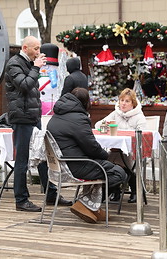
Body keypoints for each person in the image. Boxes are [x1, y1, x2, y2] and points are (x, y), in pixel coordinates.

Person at [5, 36, 72, 212]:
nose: (38, 52)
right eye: (35, 49)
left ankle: (51, 194)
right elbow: (25, 85)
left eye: (39, 48)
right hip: (22, 118)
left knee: (43, 156)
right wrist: (36, 68)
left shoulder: (28, 63)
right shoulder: (14, 64)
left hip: (33, 117)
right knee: (22, 160)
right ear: (25, 47)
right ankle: (21, 200)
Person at [47, 87, 127, 223]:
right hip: (75, 166)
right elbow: (92, 148)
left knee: (102, 169)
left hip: (60, 166)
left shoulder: (56, 115)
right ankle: (86, 204)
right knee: (119, 173)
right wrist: (106, 155)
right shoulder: (79, 118)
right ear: (85, 103)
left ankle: (93, 207)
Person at [94, 88, 147, 203]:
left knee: (118, 160)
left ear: (133, 103)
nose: (123, 103)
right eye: (121, 100)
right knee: (109, 159)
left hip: (132, 151)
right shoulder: (115, 113)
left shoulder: (139, 116)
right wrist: (105, 125)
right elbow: (98, 125)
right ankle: (118, 190)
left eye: (127, 101)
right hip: (115, 150)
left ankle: (125, 190)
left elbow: (141, 135)